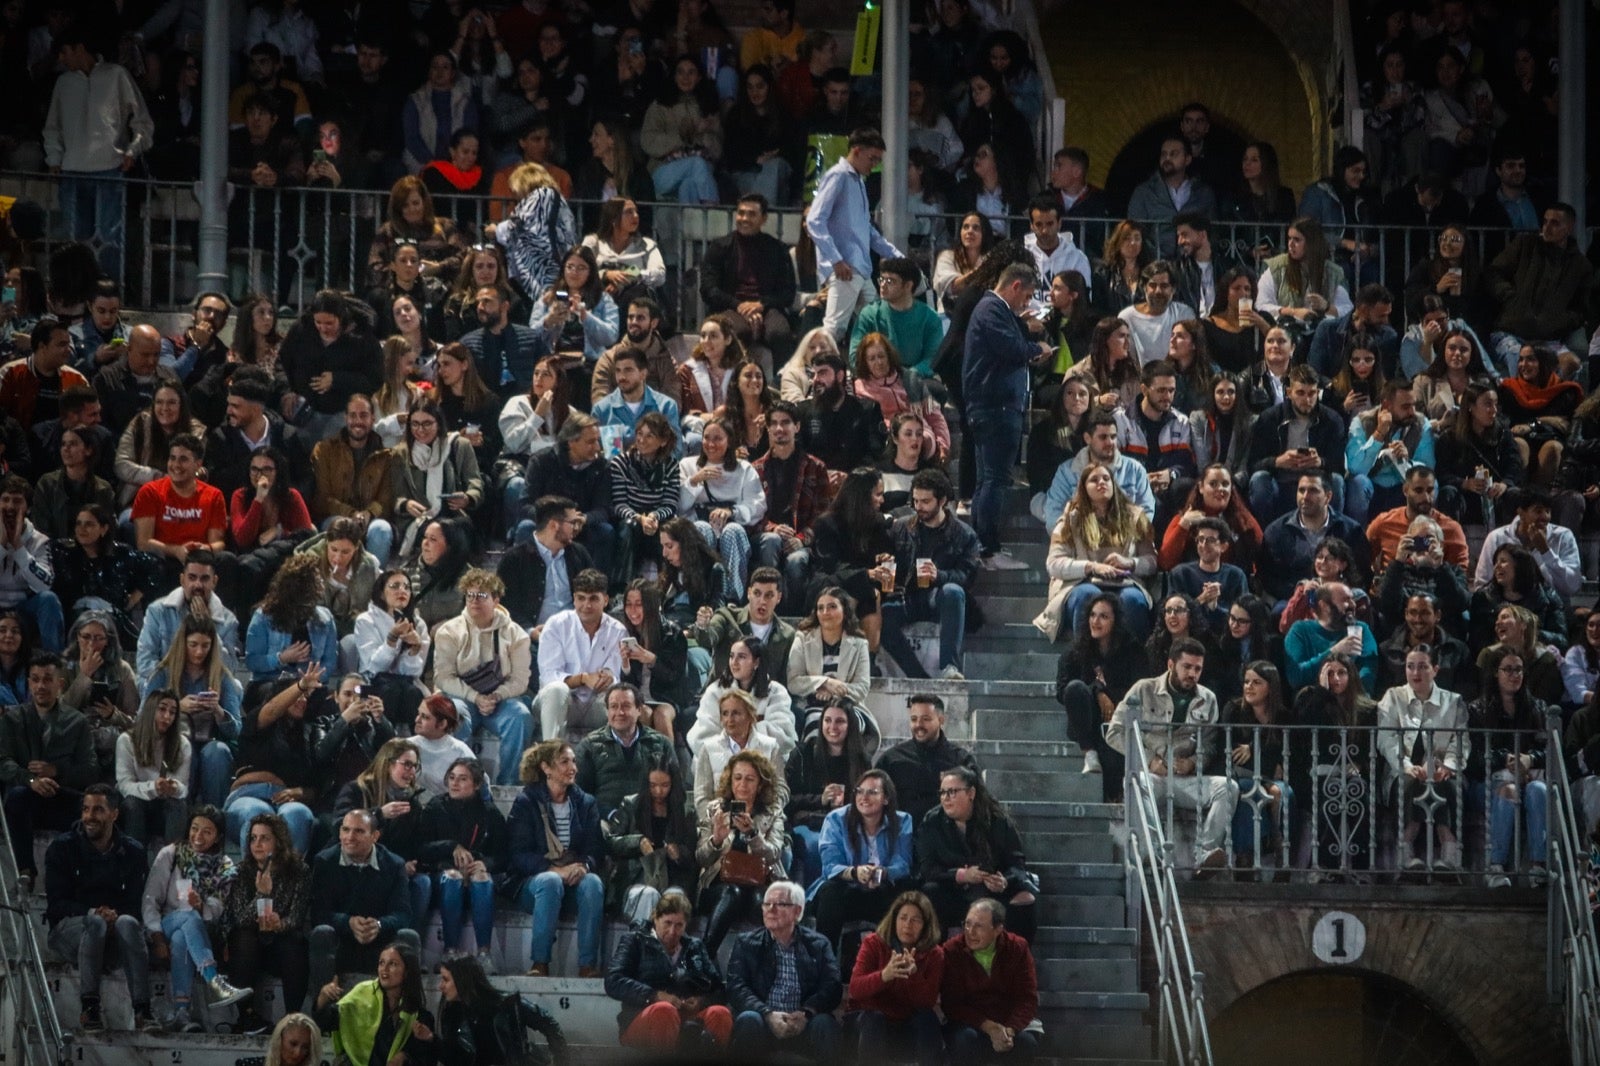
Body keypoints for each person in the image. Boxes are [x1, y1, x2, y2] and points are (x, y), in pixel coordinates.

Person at [1106, 638, 1235, 872]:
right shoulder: (1143, 689)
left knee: (1229, 787)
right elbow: (1114, 732)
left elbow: (1210, 744)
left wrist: (1193, 762)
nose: (1192, 674)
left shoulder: (1208, 699)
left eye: (1197, 669)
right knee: (1136, 781)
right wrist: (1149, 760)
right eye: (1187, 667)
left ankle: (1203, 854)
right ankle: (1156, 853)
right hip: (1153, 776)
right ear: (1170, 664)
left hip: (1185, 779)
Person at [43, 784, 159, 1032]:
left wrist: (114, 917)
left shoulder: (133, 852)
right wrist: (93, 912)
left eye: (97, 810)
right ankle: (90, 1008)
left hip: (115, 932)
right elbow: (56, 905)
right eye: (85, 809)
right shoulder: (62, 848)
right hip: (70, 931)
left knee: (129, 922)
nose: (89, 816)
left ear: (114, 814)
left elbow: (135, 904)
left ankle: (143, 1010)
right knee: (94, 923)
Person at [42, 30, 153, 275]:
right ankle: (77, 294)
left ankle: (106, 294)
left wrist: (132, 151)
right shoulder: (64, 83)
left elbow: (143, 122)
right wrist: (54, 157)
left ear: (79, 48)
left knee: (110, 241)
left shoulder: (116, 75)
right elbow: (52, 127)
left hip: (109, 169)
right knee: (75, 243)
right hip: (71, 172)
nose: (61, 58)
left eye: (65, 52)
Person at [963, 261, 1045, 569]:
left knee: (988, 479)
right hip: (995, 407)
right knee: (995, 479)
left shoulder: (994, 310)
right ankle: (988, 549)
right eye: (1026, 296)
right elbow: (1011, 348)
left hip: (993, 406)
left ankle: (982, 547)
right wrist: (1037, 349)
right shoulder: (992, 309)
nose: (1026, 303)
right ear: (1015, 286)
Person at [140, 806, 250, 1031]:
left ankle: (182, 1012)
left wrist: (201, 906)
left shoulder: (225, 866)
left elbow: (216, 911)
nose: (198, 836)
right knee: (183, 922)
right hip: (165, 924)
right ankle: (214, 980)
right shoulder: (171, 854)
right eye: (195, 829)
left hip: (201, 929)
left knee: (184, 934)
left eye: (207, 832)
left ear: (218, 836)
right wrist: (158, 937)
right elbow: (150, 900)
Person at [506, 739, 605, 977]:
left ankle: (587, 965)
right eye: (564, 762)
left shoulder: (585, 803)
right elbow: (517, 855)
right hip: (534, 885)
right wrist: (553, 869)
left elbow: (595, 850)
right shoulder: (526, 802)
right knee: (549, 882)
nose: (573, 767)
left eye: (573, 761)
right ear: (546, 768)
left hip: (573, 881)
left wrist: (584, 866)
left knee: (593, 882)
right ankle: (540, 963)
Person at [431, 568, 533, 787]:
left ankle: (509, 784)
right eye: (470, 595)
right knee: (456, 714)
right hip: (461, 695)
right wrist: (475, 697)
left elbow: (520, 680)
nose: (474, 600)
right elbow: (443, 677)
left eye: (482, 595)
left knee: (520, 716)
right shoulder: (449, 631)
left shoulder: (516, 634)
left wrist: (496, 696)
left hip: (499, 698)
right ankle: (460, 782)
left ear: (496, 599)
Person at [306, 807, 423, 995]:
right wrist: (348, 922)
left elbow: (403, 914)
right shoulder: (324, 861)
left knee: (409, 937)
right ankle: (323, 1012)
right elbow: (319, 913)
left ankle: (407, 1013)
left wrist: (379, 925)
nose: (349, 837)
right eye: (345, 830)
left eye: (358, 831)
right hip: (341, 942)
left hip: (380, 944)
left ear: (375, 836)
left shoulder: (394, 864)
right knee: (321, 933)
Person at [3, 651, 95, 887]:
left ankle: (78, 878)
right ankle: (26, 870)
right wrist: (31, 780)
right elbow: (3, 762)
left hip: (63, 796)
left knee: (91, 808)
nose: (40, 686)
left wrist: (56, 771)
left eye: (47, 679)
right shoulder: (13, 719)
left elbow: (90, 770)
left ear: (60, 684)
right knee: (16, 797)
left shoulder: (77, 722)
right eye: (35, 679)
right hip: (28, 796)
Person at [1039, 461, 1157, 643]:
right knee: (1087, 595)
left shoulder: (1135, 517)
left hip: (1124, 582)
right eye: (1094, 480)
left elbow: (1151, 562)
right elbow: (1053, 564)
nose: (1102, 482)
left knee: (1132, 600)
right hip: (1080, 583)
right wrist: (1091, 567)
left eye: (1106, 478)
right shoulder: (1070, 520)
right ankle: (1086, 661)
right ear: (1084, 488)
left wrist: (1130, 563)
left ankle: (1136, 662)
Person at [879, 470, 980, 679]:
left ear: (942, 500)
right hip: (909, 597)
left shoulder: (963, 534)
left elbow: (967, 576)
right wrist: (884, 561)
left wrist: (939, 575)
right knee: (883, 616)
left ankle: (949, 667)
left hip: (939, 598)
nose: (919, 507)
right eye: (915, 500)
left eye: (925, 501)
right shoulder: (902, 527)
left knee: (953, 591)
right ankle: (917, 676)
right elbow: (889, 559)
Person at [1377, 644, 1468, 872]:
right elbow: (1386, 740)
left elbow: (1461, 741)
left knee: (1447, 784)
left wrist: (1448, 766)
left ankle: (1449, 850)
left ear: (1435, 669)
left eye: (1422, 667)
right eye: (1410, 667)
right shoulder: (1393, 697)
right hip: (1402, 770)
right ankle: (1406, 849)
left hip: (1440, 769)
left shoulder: (1453, 701)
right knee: (1410, 783)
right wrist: (1406, 765)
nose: (1416, 673)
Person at [726, 879, 841, 1057]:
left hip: (803, 1021)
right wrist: (767, 1014)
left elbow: (832, 986)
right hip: (763, 1020)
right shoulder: (746, 942)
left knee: (824, 1023)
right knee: (748, 1019)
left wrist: (806, 1013)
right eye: (766, 904)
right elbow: (736, 987)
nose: (770, 909)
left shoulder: (819, 944)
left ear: (797, 911)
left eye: (780, 904)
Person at [807, 129, 903, 342]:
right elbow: (814, 220)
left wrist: (896, 255)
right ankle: (812, 370)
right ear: (857, 151)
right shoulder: (838, 175)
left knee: (878, 324)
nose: (874, 165)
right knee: (834, 327)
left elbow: (867, 229)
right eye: (872, 158)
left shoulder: (858, 181)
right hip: (845, 267)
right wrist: (836, 259)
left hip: (858, 267)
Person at [808, 768, 913, 963]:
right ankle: (823, 966)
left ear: (886, 799)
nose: (863, 797)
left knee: (905, 893)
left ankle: (899, 965)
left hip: (881, 890)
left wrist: (883, 873)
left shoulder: (903, 821)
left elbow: (903, 863)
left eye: (872, 792)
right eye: (859, 791)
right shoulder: (836, 819)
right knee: (831, 892)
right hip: (845, 891)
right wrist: (856, 873)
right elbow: (830, 866)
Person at [1469, 645, 1551, 888]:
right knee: (1509, 790)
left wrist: (1530, 759)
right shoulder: (1477, 709)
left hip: (1528, 778)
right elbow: (1472, 757)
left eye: (1519, 670)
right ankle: (1495, 866)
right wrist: (1504, 758)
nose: (1514, 675)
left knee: (1539, 790)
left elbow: (1550, 750)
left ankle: (1539, 867)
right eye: (1508, 670)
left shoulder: (1537, 707)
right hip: (1487, 781)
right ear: (1496, 672)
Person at [605, 892, 731, 1048]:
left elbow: (720, 989)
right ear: (655, 919)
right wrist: (654, 995)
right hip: (644, 1016)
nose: (672, 931)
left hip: (688, 1017)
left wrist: (701, 1001)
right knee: (664, 1010)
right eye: (667, 923)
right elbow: (613, 980)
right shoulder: (635, 940)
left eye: (679, 925)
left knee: (720, 1013)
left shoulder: (695, 946)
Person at [1055, 593, 1151, 796]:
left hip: (1118, 718)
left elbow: (1138, 688)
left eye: (1103, 617)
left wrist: (1109, 696)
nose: (1096, 621)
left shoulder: (1132, 650)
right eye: (1092, 615)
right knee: (1075, 688)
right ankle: (1088, 752)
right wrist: (1098, 692)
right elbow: (1062, 691)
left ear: (1115, 621)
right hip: (1085, 720)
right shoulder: (1075, 651)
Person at [222, 814, 311, 1032]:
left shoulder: (298, 870)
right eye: (253, 838)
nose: (257, 845)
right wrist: (262, 895)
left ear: (278, 841)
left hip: (280, 944)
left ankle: (292, 1019)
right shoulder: (242, 871)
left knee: (295, 943)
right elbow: (241, 919)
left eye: (264, 838)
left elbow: (297, 917)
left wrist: (279, 924)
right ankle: (247, 1016)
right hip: (251, 947)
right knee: (242, 938)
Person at [416, 756, 506, 965]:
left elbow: (504, 855)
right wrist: (450, 846)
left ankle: (484, 954)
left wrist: (485, 863)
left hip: (476, 878)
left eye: (462, 779)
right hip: (443, 876)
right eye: (452, 777)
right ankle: (450, 951)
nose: (454, 783)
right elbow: (421, 848)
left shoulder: (489, 812)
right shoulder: (435, 807)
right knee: (452, 877)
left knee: (483, 878)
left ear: (476, 784)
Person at [224, 670, 325, 854]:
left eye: (305, 697)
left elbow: (315, 787)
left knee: (297, 813)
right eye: (297, 695)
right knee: (258, 814)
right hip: (248, 795)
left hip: (285, 800)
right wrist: (301, 685)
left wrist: (301, 792)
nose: (302, 700)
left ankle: (291, 880)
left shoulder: (308, 735)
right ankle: (253, 880)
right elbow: (272, 710)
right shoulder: (256, 723)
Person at [849, 889, 945, 1066]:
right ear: (894, 920)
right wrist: (884, 976)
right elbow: (855, 989)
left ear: (926, 925)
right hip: (871, 1020)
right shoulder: (873, 943)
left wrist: (914, 975)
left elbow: (928, 1001)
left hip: (908, 1021)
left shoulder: (935, 953)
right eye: (903, 918)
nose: (908, 925)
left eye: (916, 920)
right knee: (874, 1019)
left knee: (928, 1018)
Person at [939, 899, 1040, 1063]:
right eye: (967, 924)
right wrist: (988, 1027)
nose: (970, 932)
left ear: (998, 929)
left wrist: (1009, 1030)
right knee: (965, 1040)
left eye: (979, 926)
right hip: (969, 1021)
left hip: (1008, 1021)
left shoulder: (1017, 947)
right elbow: (952, 1004)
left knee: (1025, 1043)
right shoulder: (952, 950)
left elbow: (1027, 998)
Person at [604, 753, 700, 922]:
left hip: (673, 879)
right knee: (648, 895)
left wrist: (678, 853)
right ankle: (643, 945)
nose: (658, 791)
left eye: (665, 785)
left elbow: (694, 854)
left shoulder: (685, 811)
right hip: (638, 877)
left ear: (673, 784)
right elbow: (612, 842)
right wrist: (637, 842)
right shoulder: (631, 804)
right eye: (653, 785)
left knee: (674, 900)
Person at [426, 953, 570, 1064]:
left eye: (445, 979)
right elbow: (456, 1060)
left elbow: (549, 1024)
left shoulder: (505, 1004)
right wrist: (432, 1040)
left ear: (462, 979)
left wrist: (560, 1062)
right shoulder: (452, 1013)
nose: (440, 986)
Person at [1245, 365, 1348, 521]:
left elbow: (1340, 467)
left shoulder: (1332, 420)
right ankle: (1264, 539)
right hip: (1280, 480)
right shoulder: (1270, 418)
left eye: (1312, 393)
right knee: (1259, 479)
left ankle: (1332, 534)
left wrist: (1320, 462)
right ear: (1289, 393)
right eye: (1300, 393)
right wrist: (1277, 461)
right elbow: (1252, 465)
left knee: (1337, 481)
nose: (1307, 400)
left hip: (1316, 480)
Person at [130, 433, 228, 593]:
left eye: (183, 459)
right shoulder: (149, 492)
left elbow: (218, 543)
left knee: (226, 560)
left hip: (200, 562)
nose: (175, 464)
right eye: (172, 458)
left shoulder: (214, 495)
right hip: (164, 560)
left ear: (198, 464)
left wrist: (205, 548)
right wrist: (176, 551)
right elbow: (144, 542)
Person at [679, 417, 764, 601]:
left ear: (729, 441)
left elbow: (757, 505)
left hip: (732, 525)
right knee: (701, 529)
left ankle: (733, 597)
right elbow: (679, 507)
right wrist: (694, 481)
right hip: (700, 522)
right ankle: (700, 596)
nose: (711, 444)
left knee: (733, 532)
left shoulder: (744, 469)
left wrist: (732, 512)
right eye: (706, 438)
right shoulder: (687, 465)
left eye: (718, 438)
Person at [701, 194, 798, 350]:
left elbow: (788, 293)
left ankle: (782, 375)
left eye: (751, 214)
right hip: (729, 306)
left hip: (766, 307)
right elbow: (708, 289)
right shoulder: (719, 247)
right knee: (737, 331)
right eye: (741, 213)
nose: (744, 218)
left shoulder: (777, 249)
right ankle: (733, 374)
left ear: (764, 219)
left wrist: (761, 305)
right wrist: (738, 305)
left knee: (779, 333)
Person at [313, 942, 432, 1066]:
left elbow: (424, 1055)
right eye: (381, 963)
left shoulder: (420, 1015)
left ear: (407, 971)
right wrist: (323, 997)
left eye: (393, 964)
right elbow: (326, 1021)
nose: (384, 969)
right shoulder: (362, 992)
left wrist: (404, 1056)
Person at [1472, 488, 1582, 604]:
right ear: (1521, 513)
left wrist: (1545, 551)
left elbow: (1572, 587)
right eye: (1538, 511)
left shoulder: (1563, 536)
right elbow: (1482, 585)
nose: (1544, 517)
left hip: (1550, 608)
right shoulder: (1496, 538)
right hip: (1505, 608)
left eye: (1548, 511)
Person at [113, 690, 191, 846]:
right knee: (132, 803)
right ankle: (136, 863)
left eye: (172, 712)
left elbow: (184, 788)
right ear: (150, 710)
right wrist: (153, 787)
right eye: (162, 709)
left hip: (166, 807)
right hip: (138, 805)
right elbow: (124, 785)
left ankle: (174, 862)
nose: (167, 717)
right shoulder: (127, 740)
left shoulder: (182, 744)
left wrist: (174, 788)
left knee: (179, 805)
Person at [492, 161, 578, 300]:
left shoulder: (543, 194)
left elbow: (519, 225)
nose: (515, 194)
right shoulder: (556, 199)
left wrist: (496, 230)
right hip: (553, 271)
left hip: (545, 272)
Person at [0, 476, 64, 650]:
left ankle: (54, 664)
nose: (10, 507)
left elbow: (45, 585)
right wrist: (2, 547)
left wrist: (18, 548)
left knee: (48, 600)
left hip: (24, 610)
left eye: (17, 501)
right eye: (5, 500)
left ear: (27, 508)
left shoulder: (39, 540)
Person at [797, 353, 886, 476]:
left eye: (822, 373)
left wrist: (849, 477)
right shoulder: (803, 411)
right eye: (813, 375)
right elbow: (799, 456)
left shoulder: (866, 410)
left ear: (839, 376)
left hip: (855, 484)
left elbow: (875, 454)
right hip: (815, 484)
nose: (816, 380)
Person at [1127, 137, 1218, 259]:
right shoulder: (1144, 192)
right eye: (1164, 154)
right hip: (1155, 266)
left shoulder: (1203, 193)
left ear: (1187, 159)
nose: (1167, 158)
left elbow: (1213, 231)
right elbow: (1134, 230)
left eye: (1173, 154)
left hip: (1193, 266)